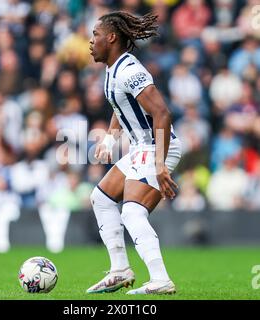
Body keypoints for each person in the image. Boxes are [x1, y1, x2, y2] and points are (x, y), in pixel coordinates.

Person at [87, 11, 182, 295]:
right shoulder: (112, 69)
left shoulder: (130, 70)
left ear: (112, 37)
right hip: (142, 148)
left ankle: (161, 279)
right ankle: (119, 270)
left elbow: (162, 112)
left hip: (157, 147)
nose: (91, 42)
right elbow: (122, 107)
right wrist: (110, 137)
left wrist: (160, 164)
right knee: (100, 199)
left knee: (131, 212)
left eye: (95, 35)